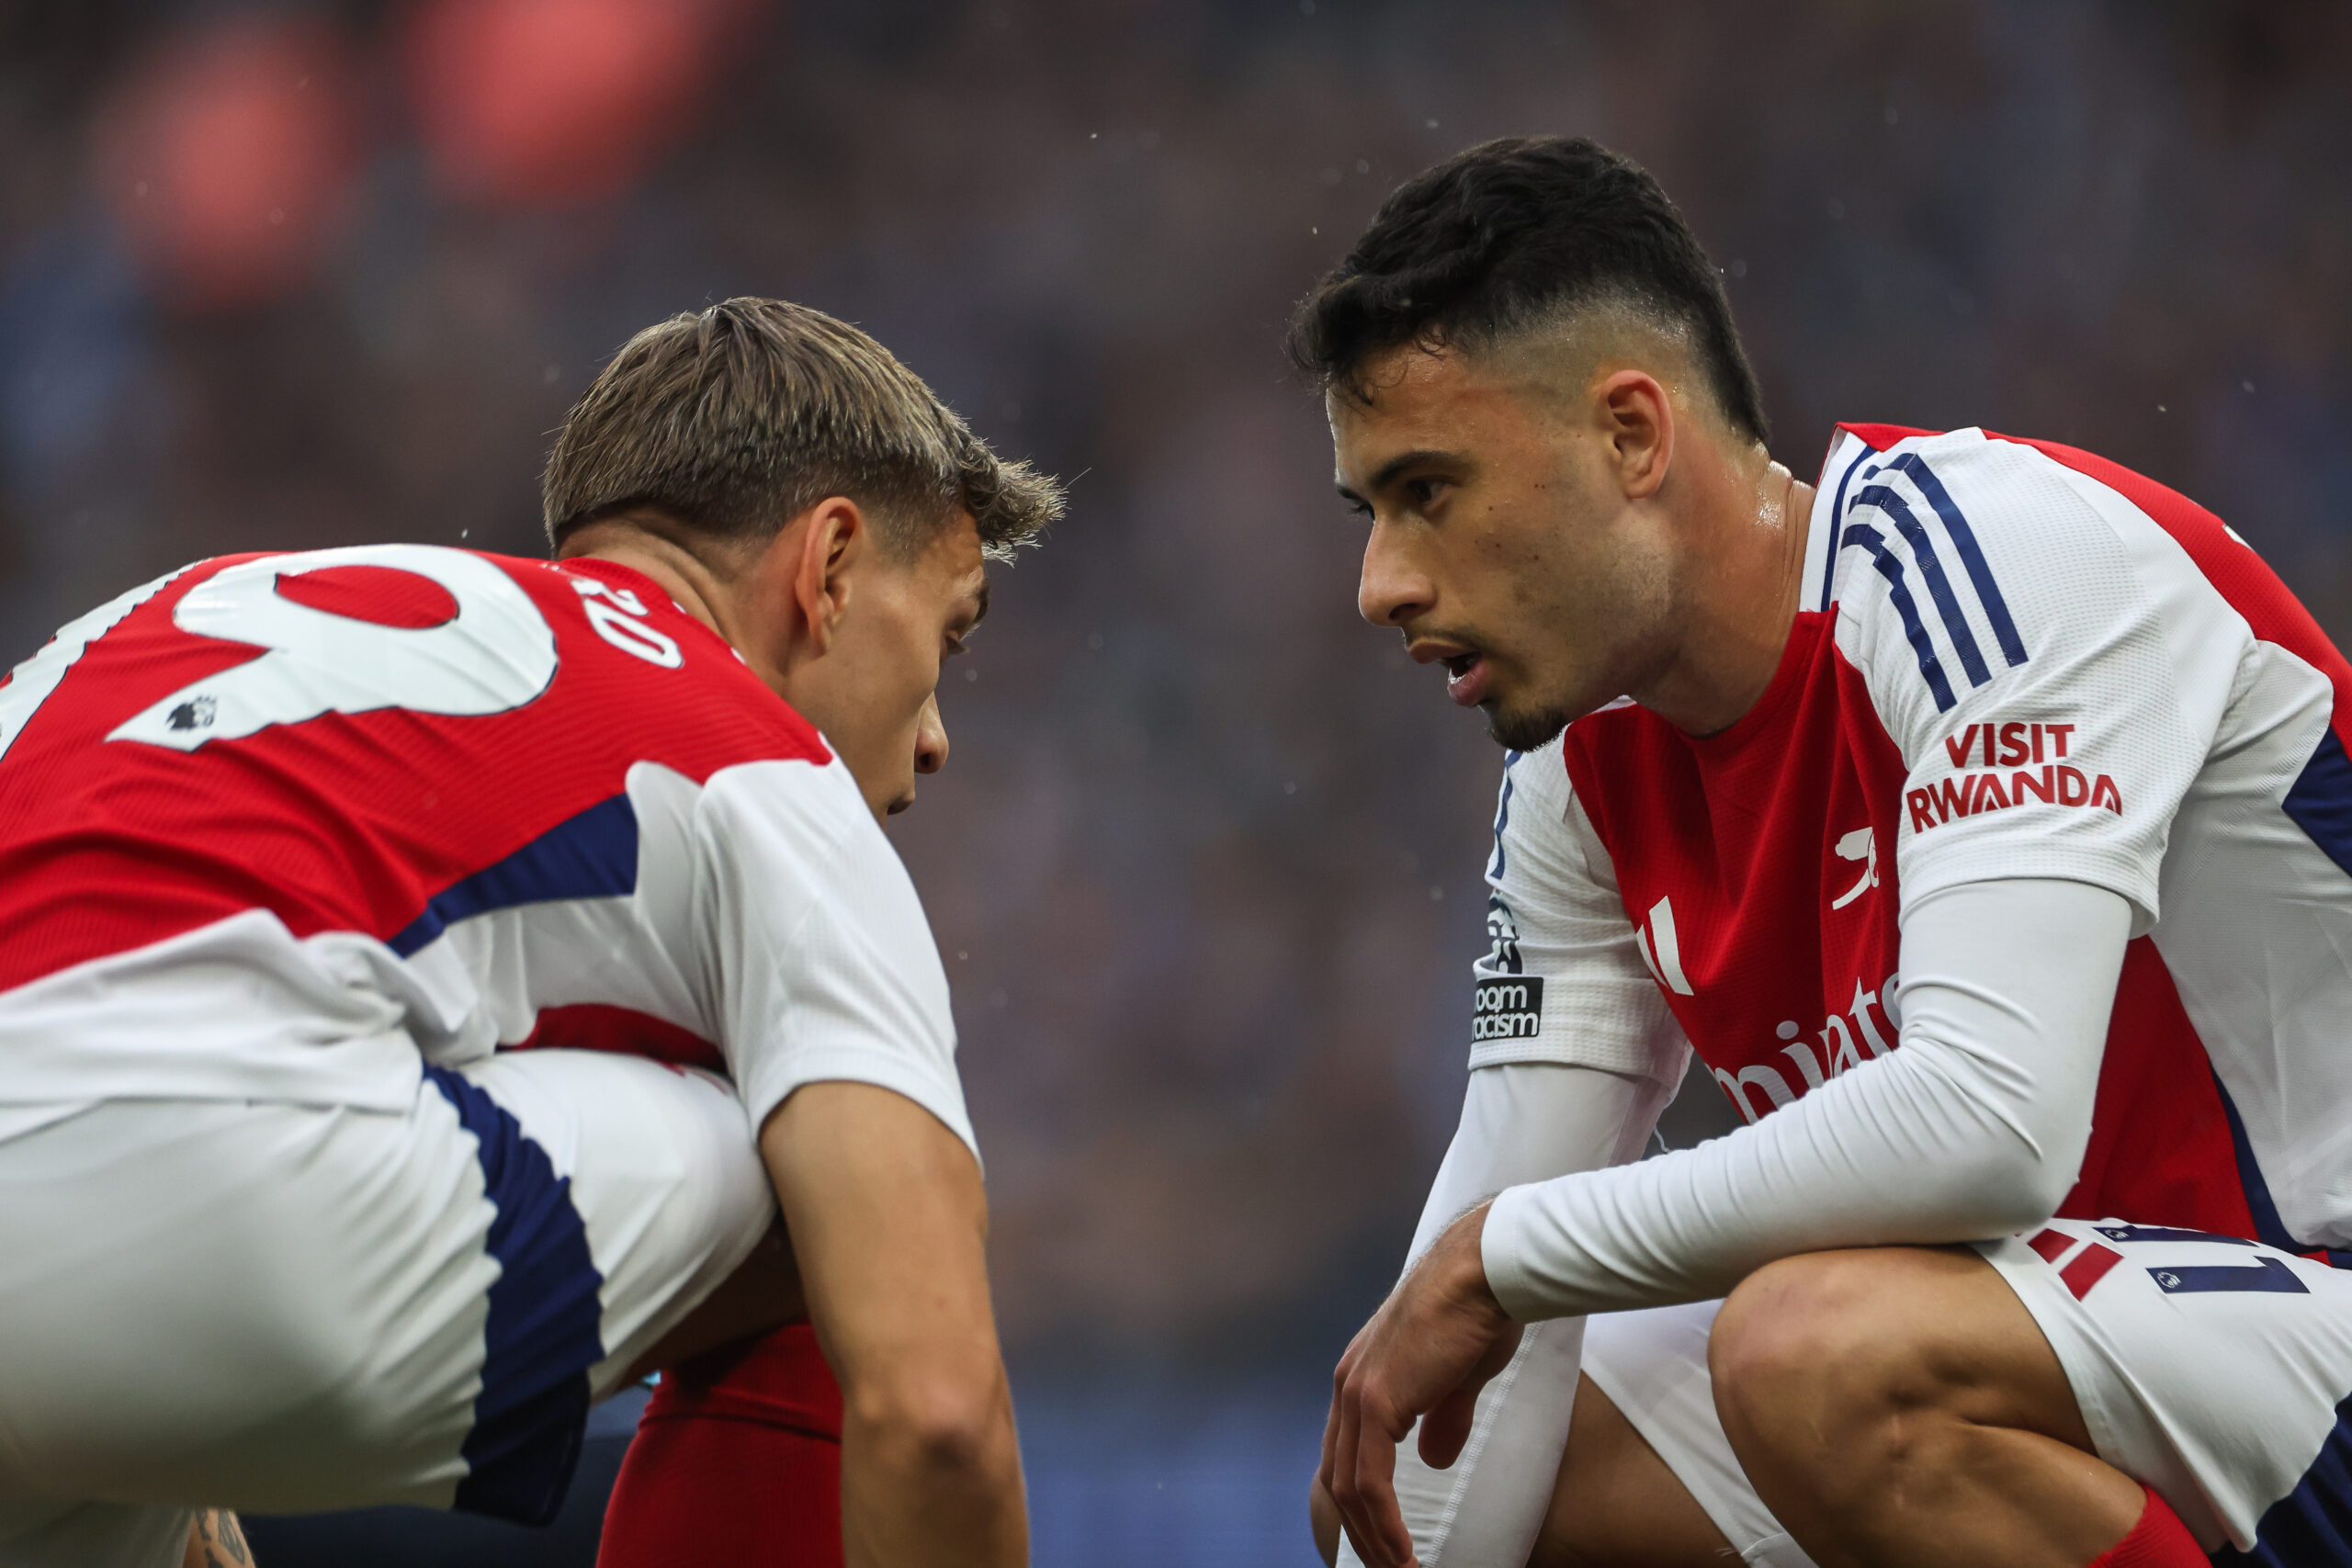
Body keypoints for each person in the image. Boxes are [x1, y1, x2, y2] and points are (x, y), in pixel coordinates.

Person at [1295, 137, 2352, 1568]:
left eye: (1431, 491)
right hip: (2109, 1374)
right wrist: (1490, 1275)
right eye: (1370, 514)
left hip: (2318, 1319)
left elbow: (1989, 1124)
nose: (1383, 586)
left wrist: (1505, 1255)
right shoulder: (1579, 775)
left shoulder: (1999, 560)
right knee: (1515, 1435)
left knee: (1815, 1351)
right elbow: (1474, 1327)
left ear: (1631, 436)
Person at [0, 298, 1057, 1568]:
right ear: (827, 567)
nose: (935, 736)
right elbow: (937, 1413)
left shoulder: (182, 611)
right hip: (224, 1200)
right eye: (946, 637)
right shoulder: (760, 757)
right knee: (854, 1208)